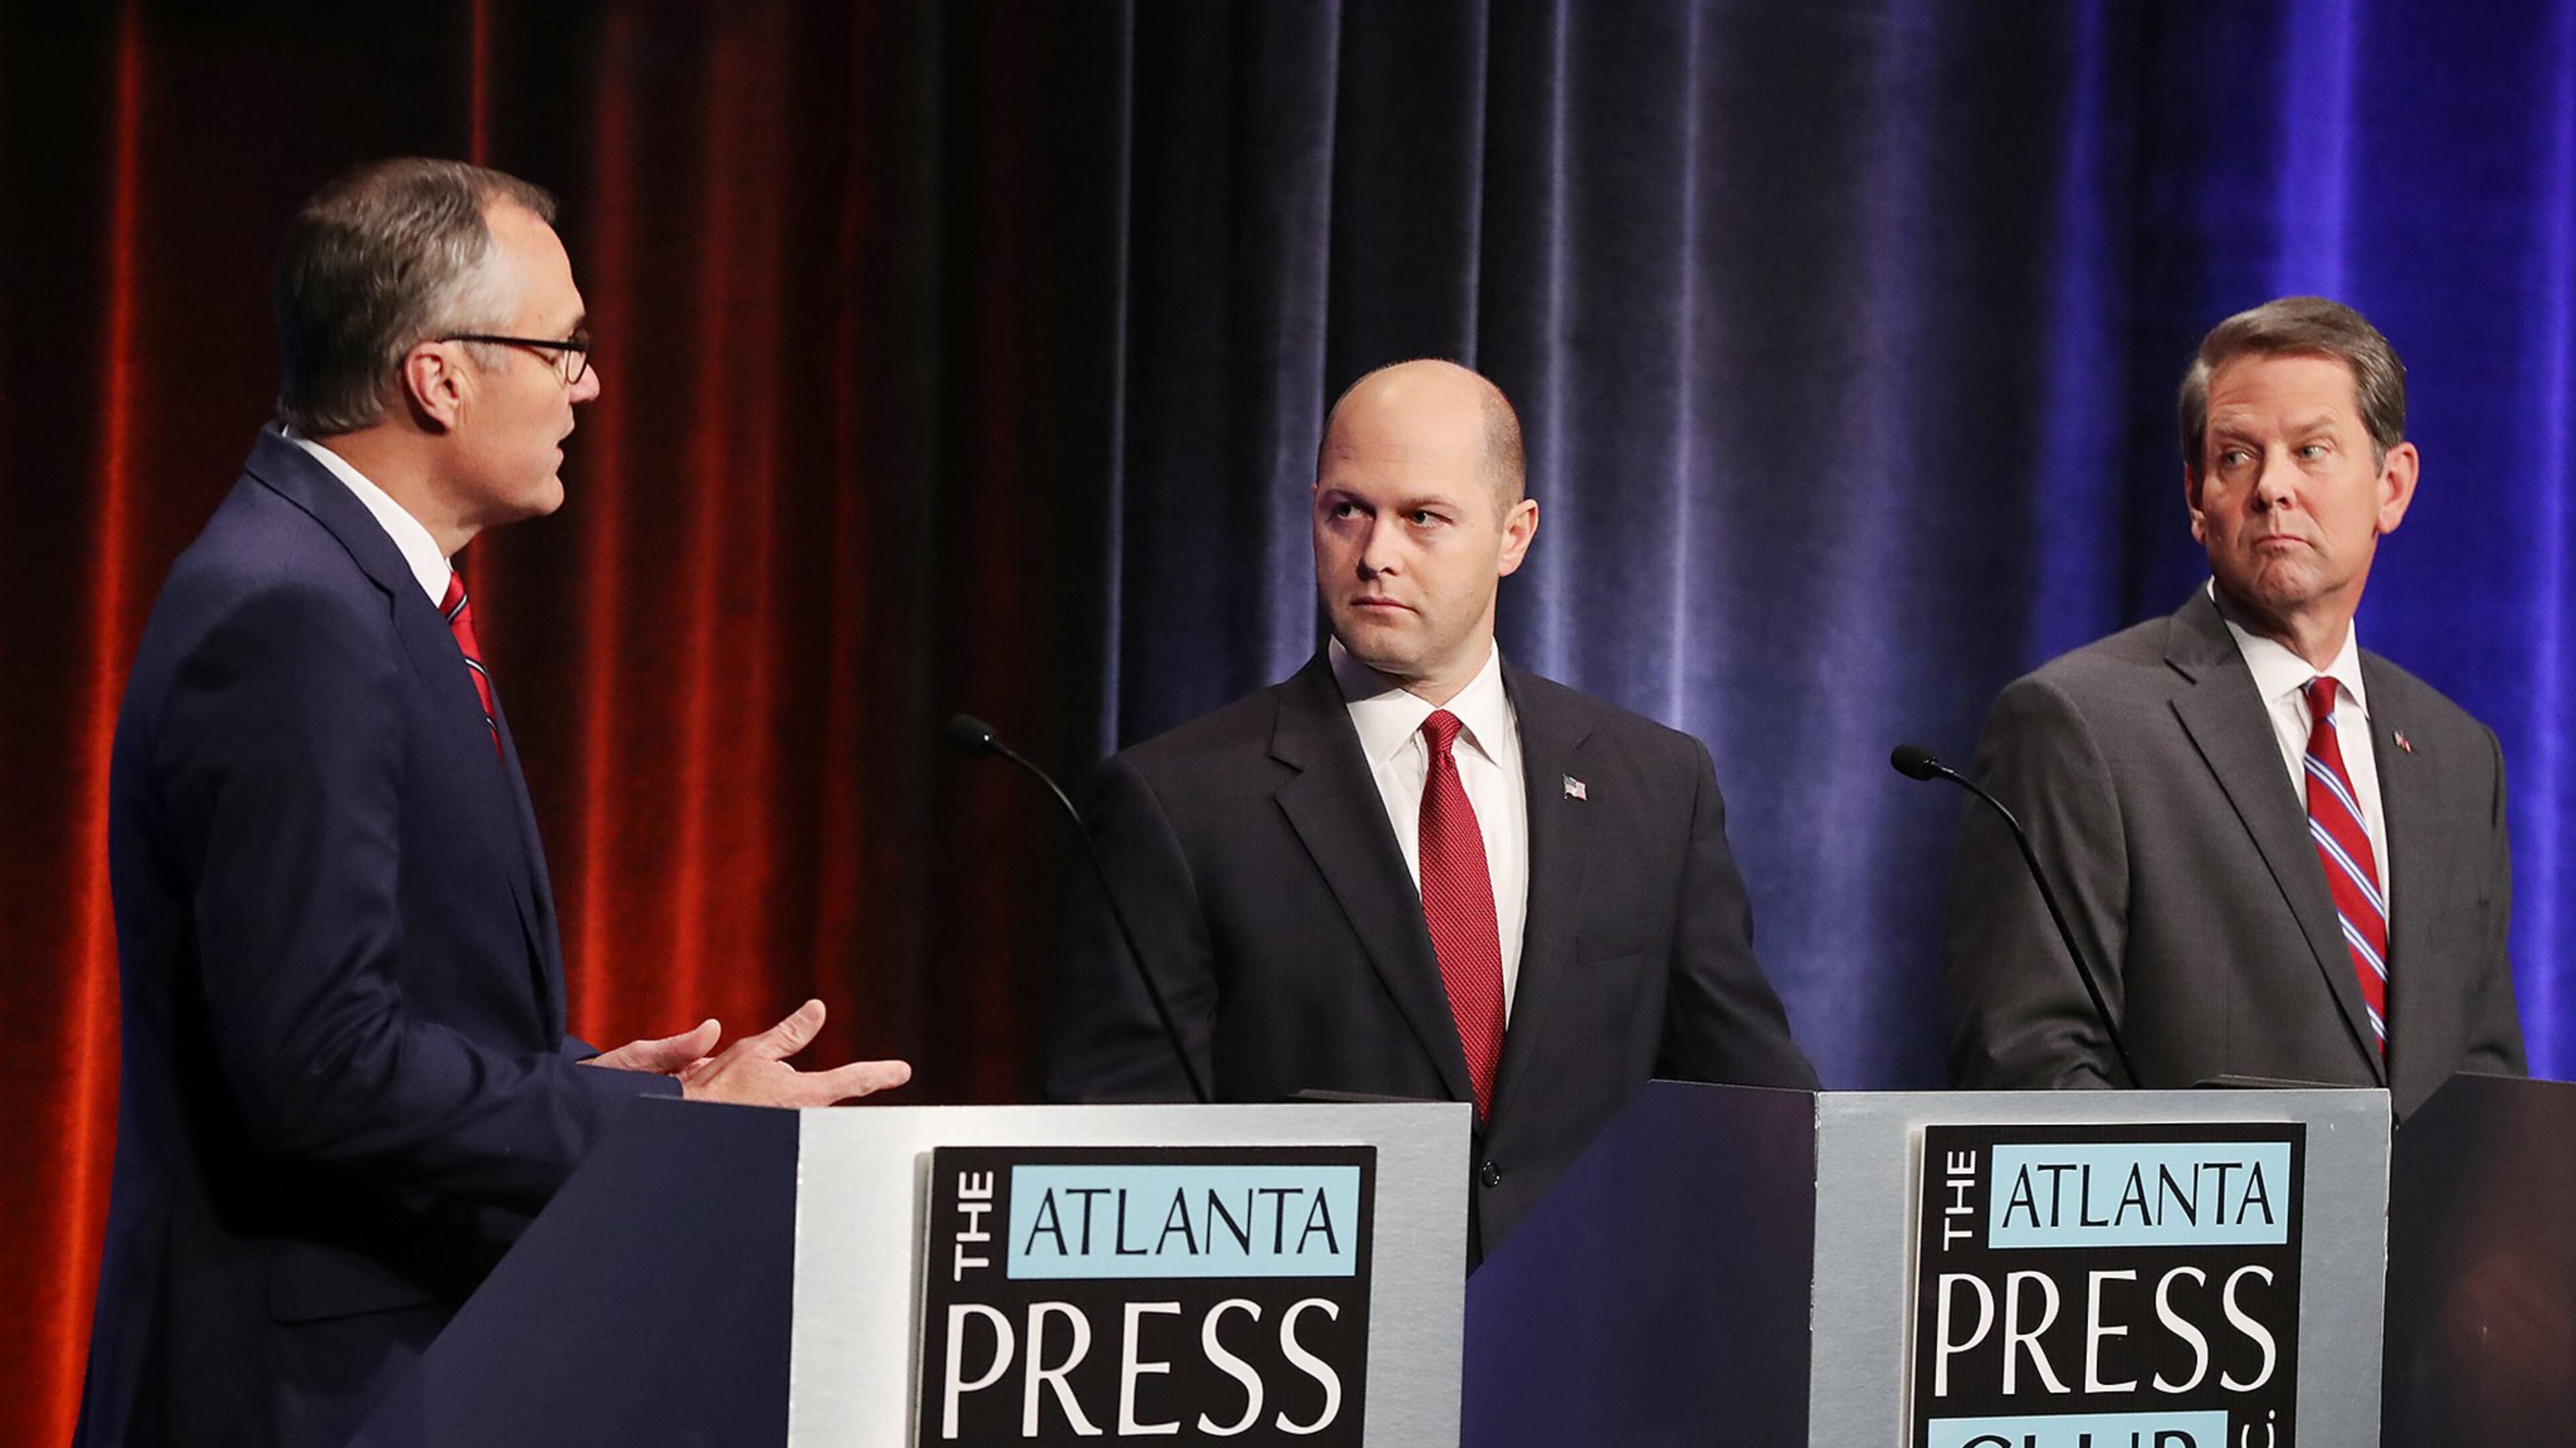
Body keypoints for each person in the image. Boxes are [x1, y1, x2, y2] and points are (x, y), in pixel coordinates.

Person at [76, 158, 909, 1448]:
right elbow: (318, 1066)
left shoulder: (348, 582)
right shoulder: (295, 610)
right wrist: (666, 1123)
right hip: (302, 1393)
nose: (588, 385)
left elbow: (376, 1005)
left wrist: (569, 1076)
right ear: (440, 375)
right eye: (562, 348)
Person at [1046, 358, 1818, 1260]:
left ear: (1514, 535)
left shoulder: (1656, 782)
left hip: (1594, 1354)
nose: (1376, 553)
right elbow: (1116, 1152)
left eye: (1423, 518)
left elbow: (1754, 1102)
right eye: (1347, 511)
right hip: (1316, 1362)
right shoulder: (1178, 802)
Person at [1943, 295, 2524, 1117]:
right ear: (2195, 495)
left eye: (2311, 450)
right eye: (2237, 457)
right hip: (2200, 1246)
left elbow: (2487, 1079)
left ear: (2391, 488)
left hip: (2424, 1248)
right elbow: (2028, 1070)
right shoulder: (2081, 725)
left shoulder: (2458, 755)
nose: (2272, 488)